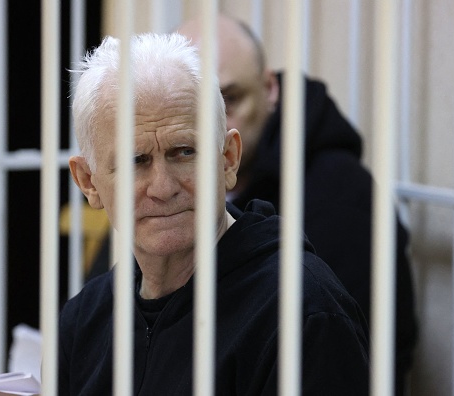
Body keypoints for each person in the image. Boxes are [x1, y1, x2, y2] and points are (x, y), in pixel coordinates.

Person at [58, 32, 369, 395]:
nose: (162, 187)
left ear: (227, 159)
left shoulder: (302, 314)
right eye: (135, 161)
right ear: (88, 182)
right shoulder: (83, 321)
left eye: (184, 152)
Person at [177, 14, 418, 395]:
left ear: (270, 89)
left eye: (229, 99)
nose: (213, 125)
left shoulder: (340, 197)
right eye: (190, 108)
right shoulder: (171, 184)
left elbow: (345, 359)